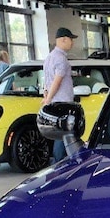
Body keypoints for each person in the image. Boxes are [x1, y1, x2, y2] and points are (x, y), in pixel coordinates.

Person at [42, 27, 78, 163]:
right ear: (63, 39)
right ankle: (59, 163)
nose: (72, 42)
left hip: (54, 103)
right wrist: (49, 98)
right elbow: (57, 81)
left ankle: (59, 162)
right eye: (71, 39)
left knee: (60, 135)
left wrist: (47, 97)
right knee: (65, 135)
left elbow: (47, 81)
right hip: (63, 103)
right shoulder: (61, 59)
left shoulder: (49, 58)